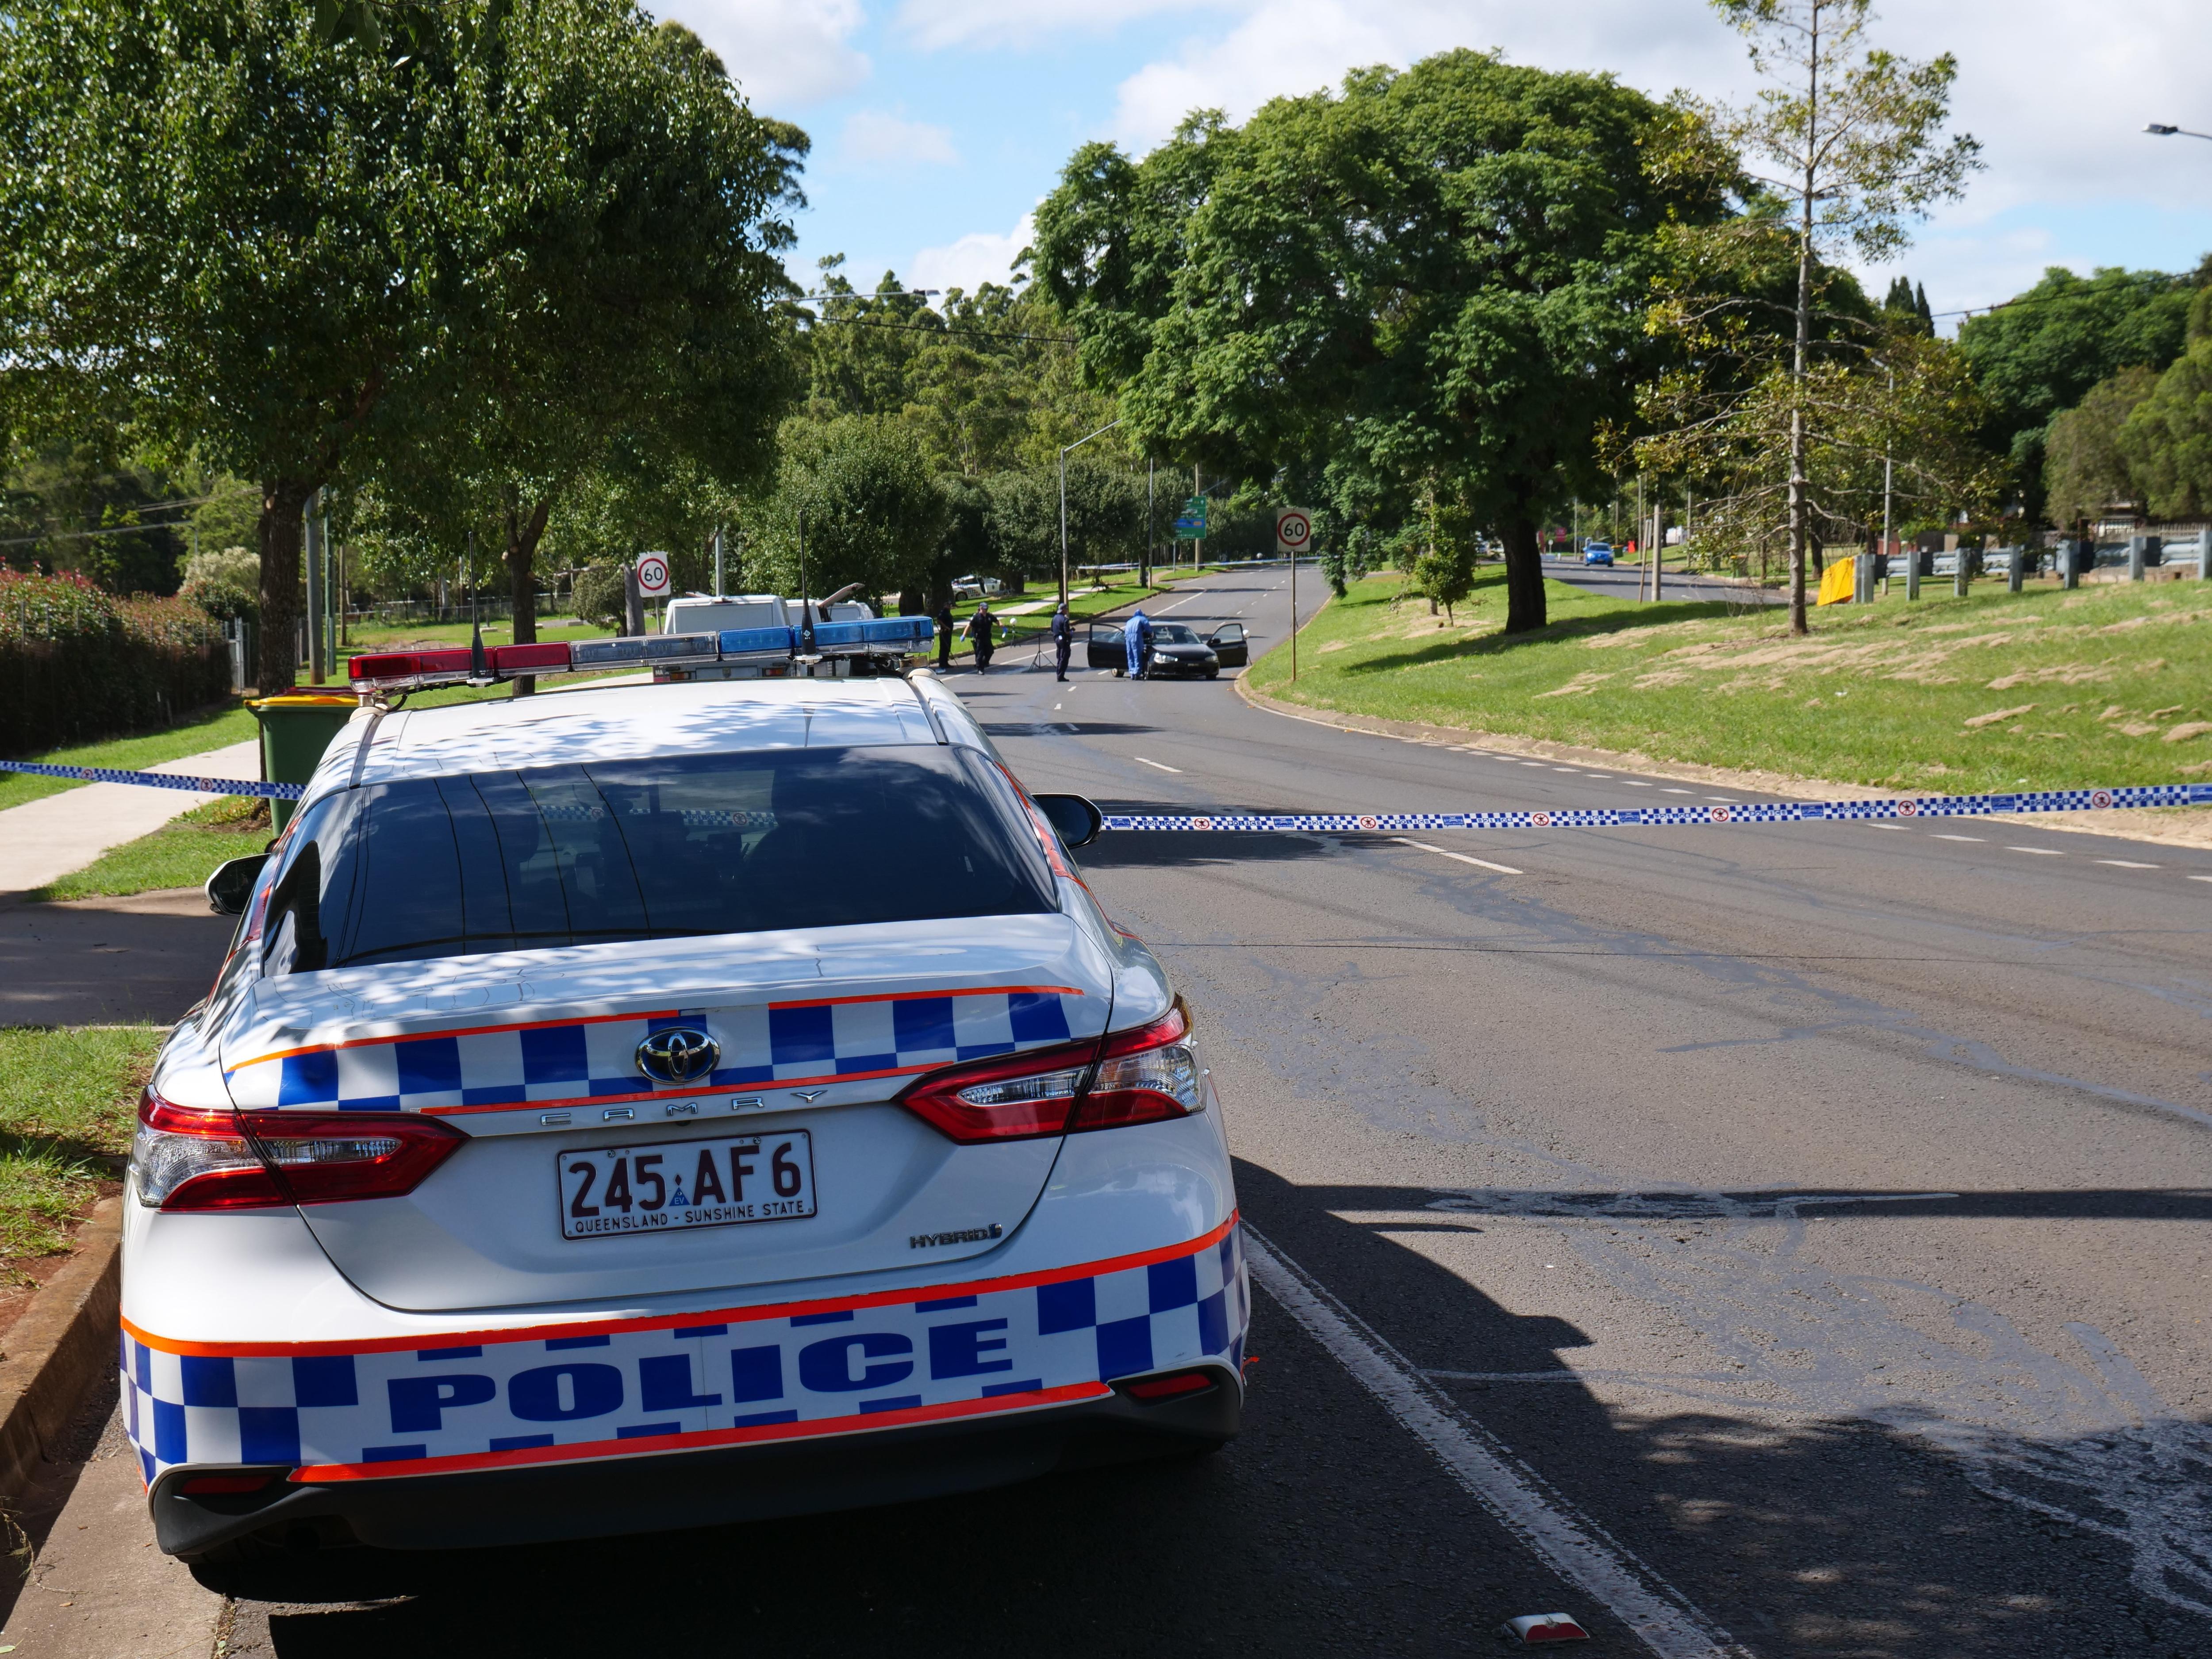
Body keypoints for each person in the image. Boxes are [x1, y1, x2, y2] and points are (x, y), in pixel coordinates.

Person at [966, 602, 995, 673]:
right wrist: (966, 635)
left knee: (990, 651)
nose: (985, 610)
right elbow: (970, 626)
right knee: (980, 653)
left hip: (987, 637)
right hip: (979, 638)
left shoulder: (988, 616)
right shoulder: (976, 617)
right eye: (984, 609)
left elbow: (995, 622)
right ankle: (980, 668)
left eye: (986, 609)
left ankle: (984, 662)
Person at [1125, 607, 1152, 680]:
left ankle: (1132, 673)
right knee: (1138, 655)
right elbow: (1149, 630)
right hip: (1136, 637)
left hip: (1128, 638)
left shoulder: (1129, 621)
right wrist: (1149, 634)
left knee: (1130, 655)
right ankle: (1137, 673)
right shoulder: (1142, 619)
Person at [1050, 599, 1071, 681]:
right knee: (1065, 657)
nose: (1067, 611)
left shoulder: (1054, 618)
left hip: (1057, 639)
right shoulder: (1065, 620)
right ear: (1063, 610)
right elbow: (1067, 632)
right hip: (1064, 640)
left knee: (1060, 656)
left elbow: (1052, 629)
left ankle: (1059, 673)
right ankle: (1060, 675)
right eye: (1066, 609)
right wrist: (1071, 632)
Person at [933, 597, 954, 672]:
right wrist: (946, 627)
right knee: (944, 648)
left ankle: (946, 662)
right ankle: (942, 663)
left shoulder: (948, 612)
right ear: (946, 605)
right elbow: (939, 620)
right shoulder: (943, 612)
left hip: (948, 633)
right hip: (944, 632)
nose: (950, 606)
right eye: (949, 605)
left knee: (948, 647)